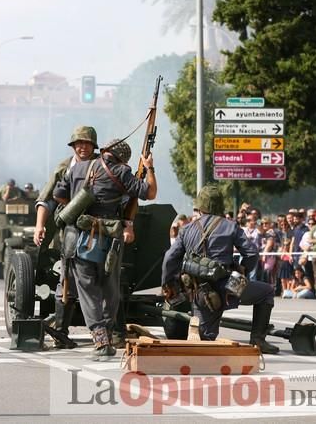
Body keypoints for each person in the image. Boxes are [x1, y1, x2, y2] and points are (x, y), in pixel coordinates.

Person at [54, 138, 157, 360]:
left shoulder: (78, 167)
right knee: (110, 289)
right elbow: (150, 193)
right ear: (123, 158)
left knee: (87, 291)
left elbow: (58, 195)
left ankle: (100, 340)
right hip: (109, 239)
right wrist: (149, 167)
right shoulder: (121, 172)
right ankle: (107, 336)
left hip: (77, 238)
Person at [161, 184, 280, 354]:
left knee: (205, 339)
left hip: (198, 290)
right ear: (220, 205)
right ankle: (258, 340)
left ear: (200, 205)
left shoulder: (186, 229)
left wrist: (168, 285)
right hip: (229, 284)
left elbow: (169, 258)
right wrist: (242, 272)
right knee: (266, 292)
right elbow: (252, 253)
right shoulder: (231, 226)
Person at [34, 125, 99, 348]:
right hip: (71, 232)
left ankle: (109, 331)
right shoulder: (64, 168)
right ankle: (60, 331)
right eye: (78, 143)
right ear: (73, 146)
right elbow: (46, 200)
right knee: (67, 280)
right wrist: (40, 226)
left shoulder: (103, 165)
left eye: (87, 143)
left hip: (99, 231)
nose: (83, 147)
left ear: (93, 146)